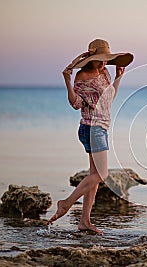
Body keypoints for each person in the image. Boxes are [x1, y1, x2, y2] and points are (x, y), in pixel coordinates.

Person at [48, 39, 133, 234]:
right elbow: (76, 103)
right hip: (91, 128)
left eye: (105, 59)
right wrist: (67, 82)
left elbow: (108, 98)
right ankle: (66, 203)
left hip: (100, 128)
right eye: (100, 59)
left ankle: (84, 221)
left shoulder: (104, 72)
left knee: (94, 177)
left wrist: (119, 77)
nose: (103, 63)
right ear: (91, 58)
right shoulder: (81, 76)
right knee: (101, 175)